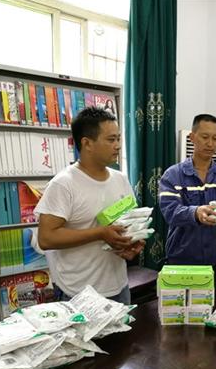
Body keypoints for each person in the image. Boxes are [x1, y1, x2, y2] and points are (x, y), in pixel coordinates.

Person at [35, 107, 145, 304]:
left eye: (118, 139)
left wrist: (131, 243)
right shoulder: (63, 184)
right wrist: (100, 233)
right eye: (111, 140)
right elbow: (46, 238)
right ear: (87, 143)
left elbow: (127, 223)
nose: (118, 146)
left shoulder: (120, 179)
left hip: (119, 287)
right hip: (77, 292)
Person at [159, 114, 216, 303]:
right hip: (182, 263)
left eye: (215, 138)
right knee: (180, 316)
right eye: (205, 137)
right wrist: (195, 213)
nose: (210, 143)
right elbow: (170, 212)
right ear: (192, 138)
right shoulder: (173, 175)